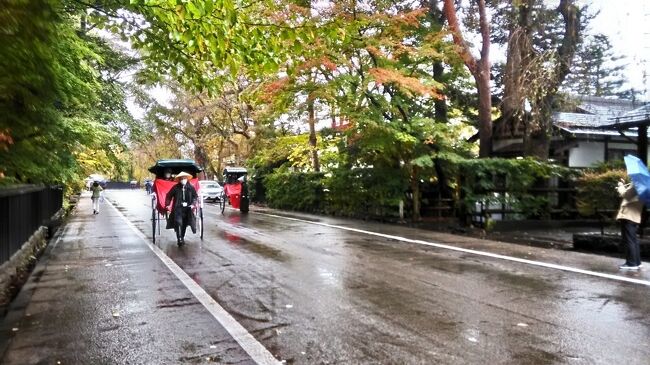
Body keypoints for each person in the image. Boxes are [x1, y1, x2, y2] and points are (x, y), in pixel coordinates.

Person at [616, 179, 644, 270]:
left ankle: (631, 263)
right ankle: (637, 262)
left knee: (629, 240)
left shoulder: (637, 183)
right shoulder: (644, 184)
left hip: (628, 215)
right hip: (634, 215)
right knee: (633, 240)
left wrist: (620, 186)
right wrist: (625, 185)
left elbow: (627, 196)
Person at [165, 171, 198, 246]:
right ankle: (179, 238)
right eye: (182, 178)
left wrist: (193, 204)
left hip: (187, 208)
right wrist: (167, 204)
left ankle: (182, 237)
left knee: (184, 223)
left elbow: (195, 196)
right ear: (179, 180)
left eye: (185, 178)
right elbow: (169, 196)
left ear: (187, 179)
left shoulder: (190, 187)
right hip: (178, 208)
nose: (183, 180)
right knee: (178, 222)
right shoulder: (175, 187)